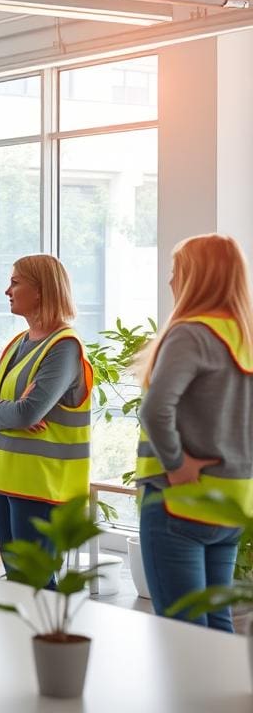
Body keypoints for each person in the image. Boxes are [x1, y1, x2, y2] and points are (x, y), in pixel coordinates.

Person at [136, 234, 253, 632]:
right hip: (231, 500)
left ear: (196, 278)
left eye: (176, 271)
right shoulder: (245, 336)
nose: (170, 281)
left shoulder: (191, 333)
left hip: (179, 499)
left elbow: (155, 408)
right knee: (217, 623)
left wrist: (175, 463)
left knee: (180, 630)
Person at [0, 254, 92, 580]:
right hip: (3, 480)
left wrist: (1, 407)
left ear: (40, 290)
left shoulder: (64, 347)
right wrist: (3, 408)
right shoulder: (17, 343)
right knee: (17, 581)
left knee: (35, 583)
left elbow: (27, 412)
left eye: (15, 282)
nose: (6, 290)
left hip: (42, 487)